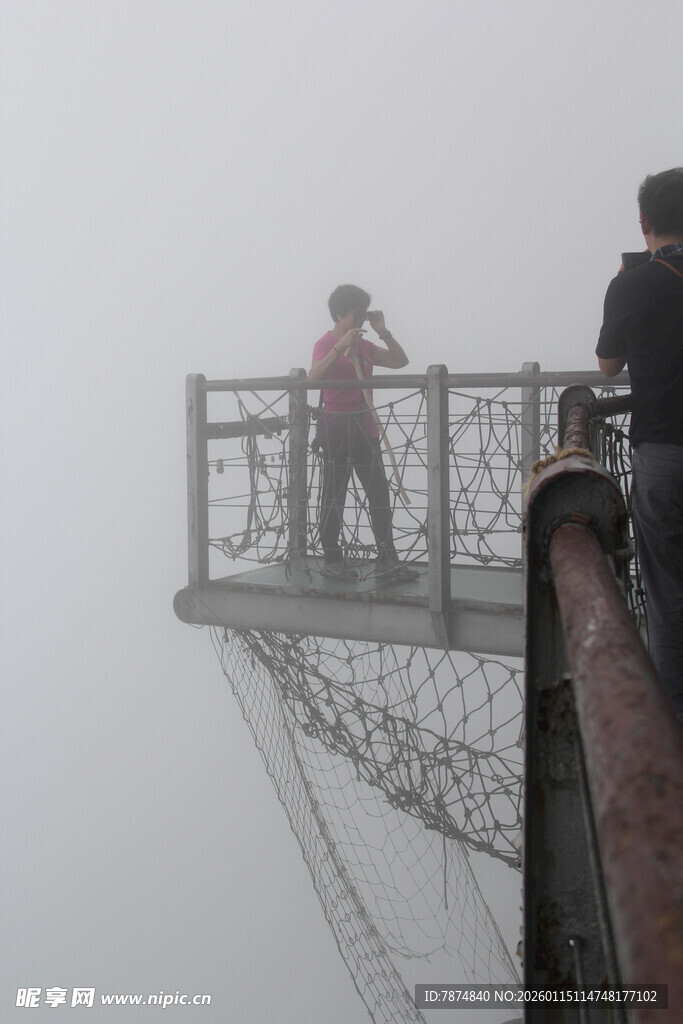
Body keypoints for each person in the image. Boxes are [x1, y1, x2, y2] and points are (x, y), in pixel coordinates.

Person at [596, 167, 683, 723]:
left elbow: (608, 367)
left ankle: (672, 730)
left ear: (644, 221)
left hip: (664, 456)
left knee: (668, 602)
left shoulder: (631, 284)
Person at [308, 284, 418, 581]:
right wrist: (339, 346)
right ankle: (332, 560)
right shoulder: (326, 343)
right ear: (340, 314)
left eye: (362, 314)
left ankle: (386, 559)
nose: (359, 320)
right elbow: (314, 377)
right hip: (336, 430)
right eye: (356, 314)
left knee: (379, 494)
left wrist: (383, 331)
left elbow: (400, 361)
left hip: (365, 430)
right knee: (333, 496)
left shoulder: (366, 346)